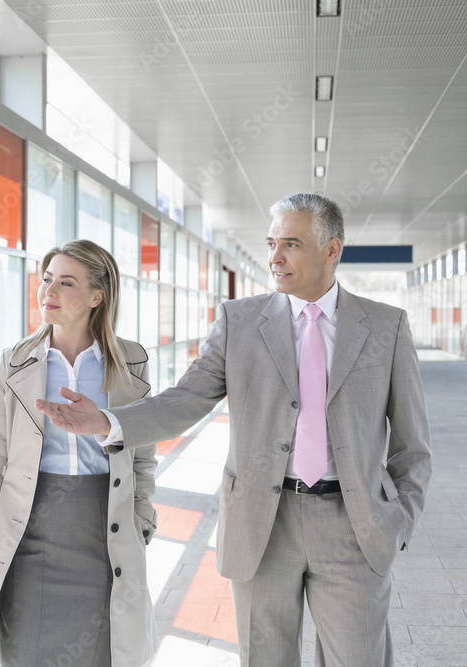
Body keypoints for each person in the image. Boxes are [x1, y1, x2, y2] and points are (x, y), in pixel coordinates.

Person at [36, 193, 432, 667]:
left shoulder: (386, 327)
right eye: (271, 243)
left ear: (332, 250)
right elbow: (186, 399)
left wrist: (397, 520)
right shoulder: (239, 322)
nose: (275, 257)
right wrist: (108, 421)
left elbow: (413, 446)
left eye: (292, 243)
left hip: (354, 524)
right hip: (262, 524)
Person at [0, 240, 159, 667]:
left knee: (101, 652)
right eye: (47, 279)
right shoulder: (15, 363)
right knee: (25, 651)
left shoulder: (130, 362)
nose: (48, 291)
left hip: (103, 533)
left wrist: (142, 519)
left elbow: (142, 455)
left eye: (65, 282)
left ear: (97, 295)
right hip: (29, 534)